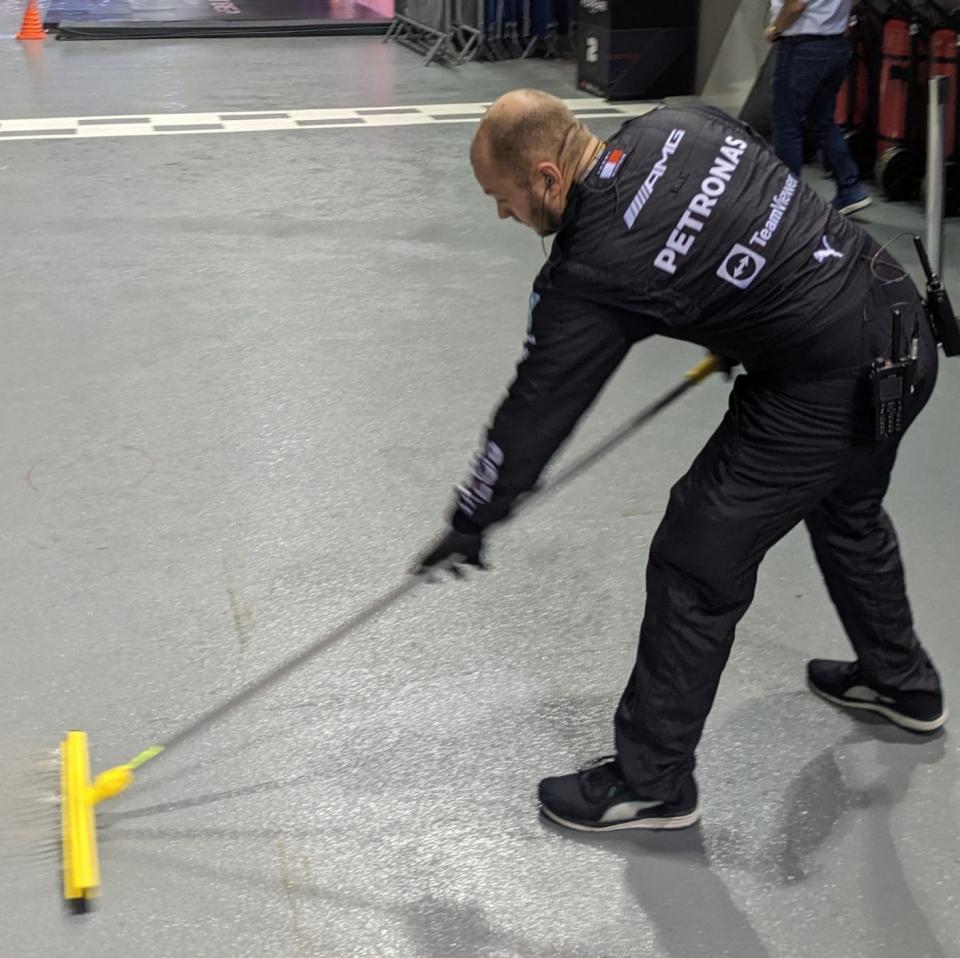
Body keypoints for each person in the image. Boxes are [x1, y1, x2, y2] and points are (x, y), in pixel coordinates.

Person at [415, 90, 946, 833]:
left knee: (696, 553)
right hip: (900, 325)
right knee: (846, 508)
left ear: (544, 177)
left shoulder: (592, 267)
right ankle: (903, 685)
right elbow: (759, 194)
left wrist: (474, 514)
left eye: (501, 199)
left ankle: (651, 781)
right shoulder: (677, 120)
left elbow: (537, 410)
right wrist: (743, 305)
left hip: (828, 380)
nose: (503, 215)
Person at [766, 0, 871, 215]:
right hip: (836, 45)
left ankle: (786, 201)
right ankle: (850, 188)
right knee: (822, 121)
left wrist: (775, 29)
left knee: (787, 124)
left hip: (802, 47)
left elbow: (796, 5)